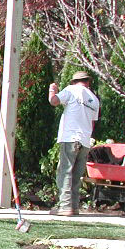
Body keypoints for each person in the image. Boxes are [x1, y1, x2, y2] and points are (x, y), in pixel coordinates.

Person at [48, 71, 100, 216]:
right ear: (88, 82)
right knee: (76, 175)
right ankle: (74, 207)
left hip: (70, 137)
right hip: (85, 140)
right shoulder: (94, 99)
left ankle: (65, 207)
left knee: (65, 172)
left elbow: (54, 101)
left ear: (73, 81)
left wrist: (52, 91)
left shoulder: (71, 90)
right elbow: (92, 123)